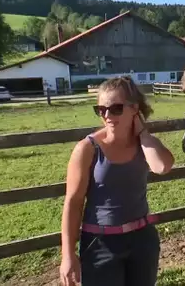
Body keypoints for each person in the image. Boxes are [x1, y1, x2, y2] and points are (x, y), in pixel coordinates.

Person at [59, 76, 175, 286]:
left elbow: (162, 166)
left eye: (116, 109)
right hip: (100, 245)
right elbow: (73, 204)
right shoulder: (87, 149)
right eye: (101, 110)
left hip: (142, 241)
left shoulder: (144, 144)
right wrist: (68, 255)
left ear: (134, 109)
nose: (107, 115)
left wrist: (143, 134)